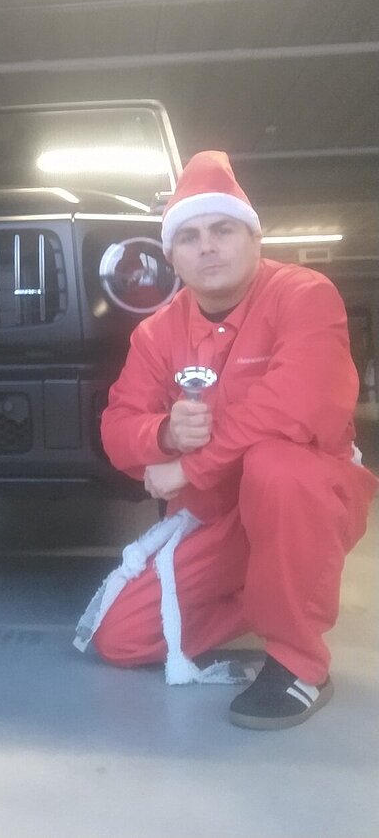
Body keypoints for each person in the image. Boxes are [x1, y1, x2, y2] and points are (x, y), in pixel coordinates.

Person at [75, 150, 377, 729]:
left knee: (276, 465)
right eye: (189, 237)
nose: (207, 247)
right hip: (217, 516)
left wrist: (188, 466)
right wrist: (163, 432)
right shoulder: (156, 334)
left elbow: (294, 404)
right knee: (122, 638)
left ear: (254, 238)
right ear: (171, 256)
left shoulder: (304, 295)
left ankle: (299, 663)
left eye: (223, 230)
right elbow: (117, 429)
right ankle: (273, 593)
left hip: (302, 502)